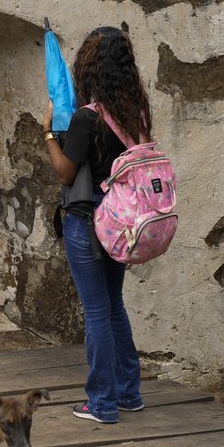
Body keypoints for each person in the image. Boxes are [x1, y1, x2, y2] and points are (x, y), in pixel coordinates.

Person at [42, 26, 151, 424]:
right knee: (114, 305)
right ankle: (128, 393)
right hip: (123, 219)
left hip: (89, 221)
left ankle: (102, 403)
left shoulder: (88, 117)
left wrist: (48, 133)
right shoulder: (136, 112)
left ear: (88, 68)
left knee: (96, 312)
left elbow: (65, 172)